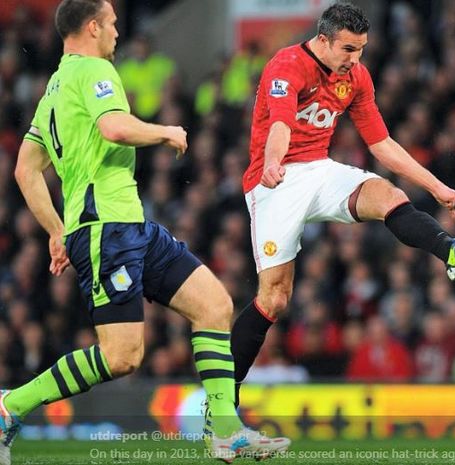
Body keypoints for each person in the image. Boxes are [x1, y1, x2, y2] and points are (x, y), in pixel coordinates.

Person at [1, 1, 289, 463]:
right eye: (112, 23)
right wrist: (166, 131)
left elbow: (24, 169)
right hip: (105, 229)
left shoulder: (53, 88)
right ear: (93, 27)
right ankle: (10, 406)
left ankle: (226, 430)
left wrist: (56, 230)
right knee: (122, 357)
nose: (117, 32)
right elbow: (114, 128)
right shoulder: (94, 71)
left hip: (127, 224)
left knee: (214, 305)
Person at [231, 2, 455, 405]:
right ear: (323, 40)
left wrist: (438, 187)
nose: (356, 59)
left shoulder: (356, 77)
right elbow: (280, 123)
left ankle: (451, 251)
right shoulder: (287, 65)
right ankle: (221, 397)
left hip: (319, 169)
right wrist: (271, 162)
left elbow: (381, 143)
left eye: (362, 49)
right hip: (275, 182)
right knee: (275, 299)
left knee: (390, 195)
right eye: (348, 49)